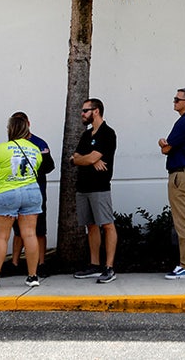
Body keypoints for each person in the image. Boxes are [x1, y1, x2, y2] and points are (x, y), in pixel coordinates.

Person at [0, 113, 43, 291]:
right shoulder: (35, 149)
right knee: (29, 234)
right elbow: (37, 167)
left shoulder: (3, 148)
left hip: (7, 192)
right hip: (31, 192)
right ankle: (33, 276)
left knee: (1, 237)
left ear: (11, 129)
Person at [71, 98, 118, 284]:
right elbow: (76, 157)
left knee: (107, 224)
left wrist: (88, 159)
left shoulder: (108, 133)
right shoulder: (86, 135)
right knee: (90, 225)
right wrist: (85, 159)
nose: (82, 114)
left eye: (85, 110)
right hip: (83, 187)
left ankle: (109, 267)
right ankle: (94, 264)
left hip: (100, 187)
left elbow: (90, 158)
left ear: (96, 111)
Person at [158, 87, 185, 280]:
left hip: (180, 176)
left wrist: (162, 144)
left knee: (183, 222)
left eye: (177, 99)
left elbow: (167, 148)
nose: (174, 102)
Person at [9, 111, 54, 276]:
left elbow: (49, 166)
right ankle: (14, 263)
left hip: (37, 191)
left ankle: (41, 263)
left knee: (40, 230)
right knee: (18, 231)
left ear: (28, 122)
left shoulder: (39, 143)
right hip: (16, 193)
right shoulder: (11, 144)